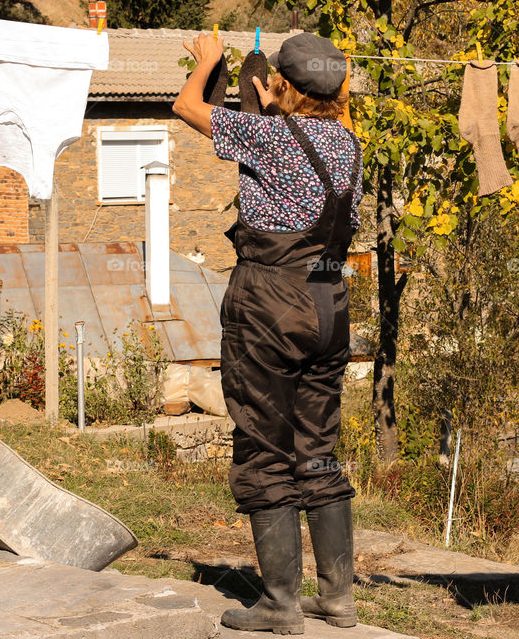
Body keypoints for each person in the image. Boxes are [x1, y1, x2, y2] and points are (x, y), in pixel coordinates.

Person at [173, 31, 363, 635]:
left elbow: (185, 108)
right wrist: (271, 100)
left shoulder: (270, 137)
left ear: (282, 85)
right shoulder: (350, 145)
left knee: (264, 443)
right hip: (330, 304)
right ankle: (337, 599)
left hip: (272, 304)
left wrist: (206, 65)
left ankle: (281, 604)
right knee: (319, 450)